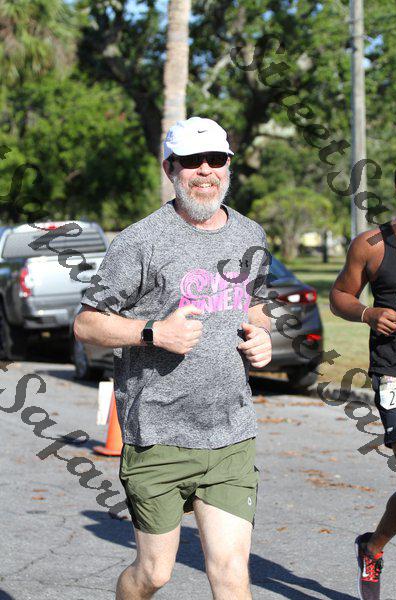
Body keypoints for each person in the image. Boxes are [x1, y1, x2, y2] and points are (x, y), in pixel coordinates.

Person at [74, 116, 271, 600]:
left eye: (215, 159)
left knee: (231, 572)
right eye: (191, 161)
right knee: (154, 574)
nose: (205, 170)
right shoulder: (140, 241)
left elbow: (256, 305)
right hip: (157, 435)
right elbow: (86, 325)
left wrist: (262, 334)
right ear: (170, 169)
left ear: (229, 166)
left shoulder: (251, 235)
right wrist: (152, 332)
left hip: (230, 434)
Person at [330, 165, 396, 600]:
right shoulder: (372, 245)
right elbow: (340, 295)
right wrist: (368, 313)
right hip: (395, 372)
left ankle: (373, 547)